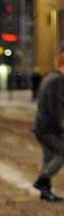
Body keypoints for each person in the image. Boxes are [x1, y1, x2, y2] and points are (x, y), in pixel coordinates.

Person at [32, 52, 64, 202]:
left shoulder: (51, 78)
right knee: (62, 153)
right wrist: (61, 128)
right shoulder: (57, 80)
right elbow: (55, 108)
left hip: (42, 126)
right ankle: (42, 180)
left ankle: (45, 192)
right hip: (48, 128)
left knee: (49, 158)